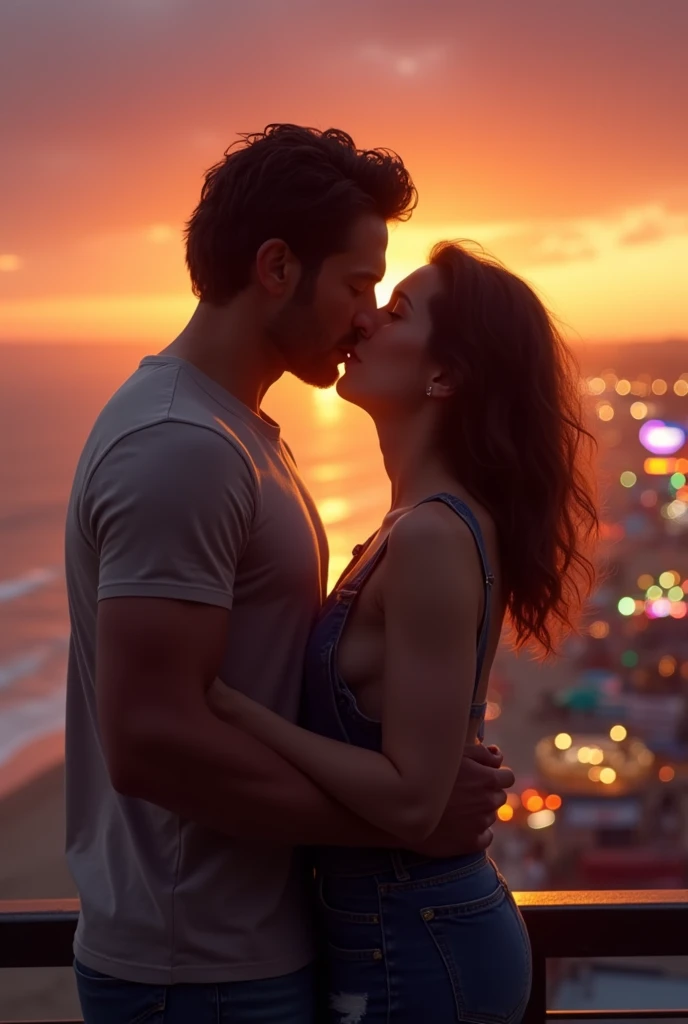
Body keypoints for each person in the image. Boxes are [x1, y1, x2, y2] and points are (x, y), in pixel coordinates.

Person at [64, 126, 515, 1024]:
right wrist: (407, 817)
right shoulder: (180, 448)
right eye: (357, 285)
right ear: (276, 268)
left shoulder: (239, 438)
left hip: (256, 944)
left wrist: (409, 783)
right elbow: (150, 740)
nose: (365, 313)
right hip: (195, 968)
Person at [209, 240, 599, 1022]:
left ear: (444, 375)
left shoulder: (430, 536)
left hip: (418, 937)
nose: (363, 324)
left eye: (395, 314)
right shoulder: (412, 525)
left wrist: (232, 705)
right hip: (399, 926)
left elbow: (414, 800)